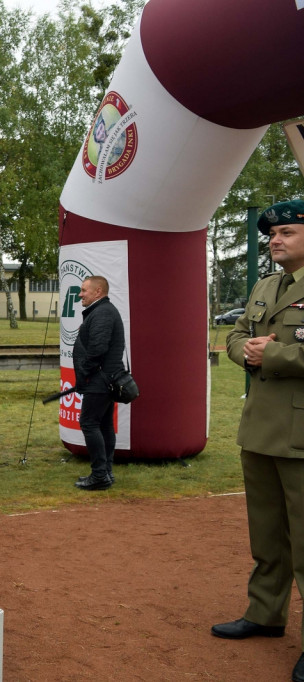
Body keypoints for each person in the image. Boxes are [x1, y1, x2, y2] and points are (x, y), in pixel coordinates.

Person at [213, 199, 304, 682]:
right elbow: (237, 335)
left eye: (286, 232)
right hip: (261, 429)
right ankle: (265, 613)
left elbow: (282, 351)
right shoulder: (267, 285)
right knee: (268, 535)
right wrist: (243, 351)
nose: (275, 240)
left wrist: (272, 354)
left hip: (301, 433)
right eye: (273, 234)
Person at [71, 275, 125, 490]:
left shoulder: (102, 313)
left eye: (84, 290)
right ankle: (106, 472)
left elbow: (97, 349)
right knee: (103, 425)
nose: (80, 294)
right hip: (104, 379)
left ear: (98, 292)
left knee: (89, 423)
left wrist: (84, 372)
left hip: (99, 380)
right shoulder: (102, 311)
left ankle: (100, 474)